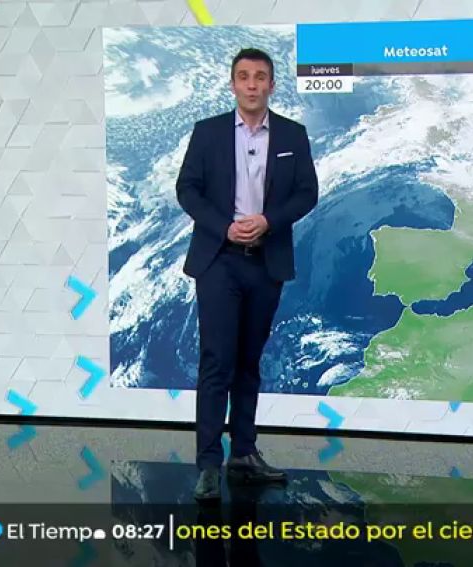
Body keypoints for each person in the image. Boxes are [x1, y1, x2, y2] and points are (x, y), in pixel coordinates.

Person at [175, 47, 319, 502]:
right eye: (244, 77)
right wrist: (224, 225)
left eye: (260, 77)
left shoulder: (293, 134)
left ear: (272, 85)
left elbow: (306, 192)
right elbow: (188, 189)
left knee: (248, 363)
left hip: (265, 262)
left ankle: (244, 454)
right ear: (233, 84)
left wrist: (270, 220)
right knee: (217, 362)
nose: (252, 84)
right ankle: (208, 465)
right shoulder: (208, 133)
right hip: (218, 260)